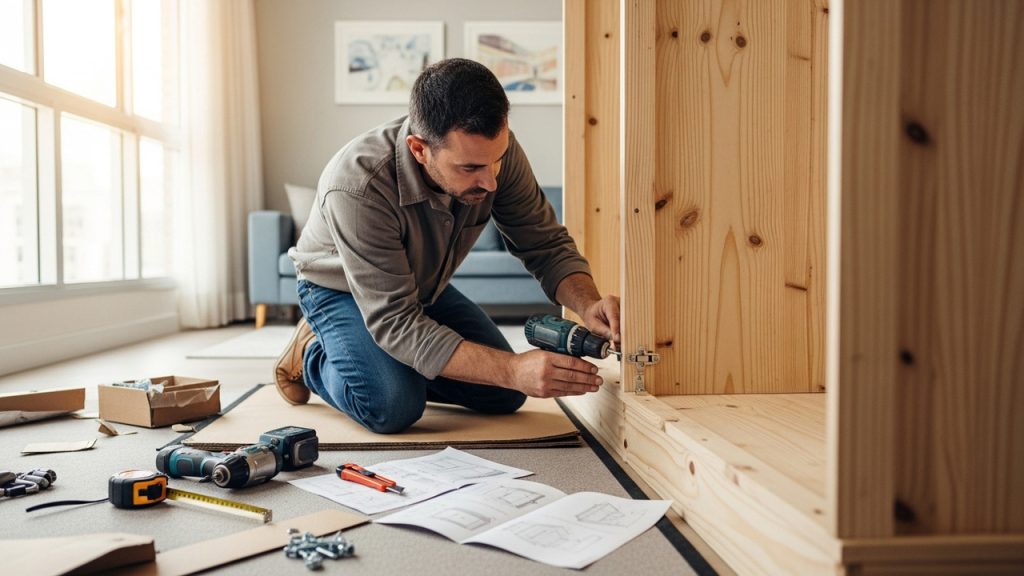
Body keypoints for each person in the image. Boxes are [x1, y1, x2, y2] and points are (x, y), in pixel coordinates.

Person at [275, 58, 620, 434]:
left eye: (496, 162)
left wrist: (589, 304)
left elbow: (545, 243)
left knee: (504, 396)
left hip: (421, 287)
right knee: (393, 405)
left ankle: (391, 361)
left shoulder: (491, 154)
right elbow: (394, 321)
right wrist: (510, 368)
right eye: (470, 169)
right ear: (419, 149)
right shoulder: (358, 185)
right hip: (341, 290)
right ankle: (310, 353)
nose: (490, 181)